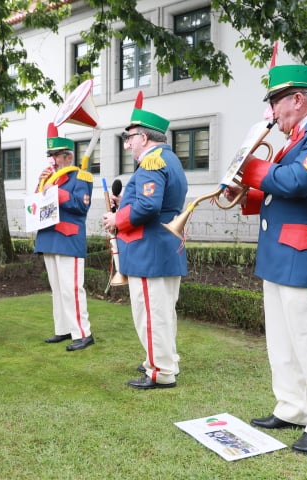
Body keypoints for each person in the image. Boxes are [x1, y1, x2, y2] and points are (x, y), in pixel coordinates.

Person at [225, 64, 307, 454]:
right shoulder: (298, 137)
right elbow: (279, 191)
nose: (272, 113)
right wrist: (244, 193)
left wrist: (247, 166)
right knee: (282, 343)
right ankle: (293, 407)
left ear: (297, 100)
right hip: (282, 253)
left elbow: (297, 181)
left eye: (275, 103)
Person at [102, 92, 188, 389]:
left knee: (150, 313)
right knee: (163, 311)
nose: (127, 144)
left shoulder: (152, 162)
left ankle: (160, 371)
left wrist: (117, 219)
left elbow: (149, 207)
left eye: (129, 138)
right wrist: (125, 202)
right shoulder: (169, 159)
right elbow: (156, 202)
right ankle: (167, 360)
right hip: (165, 247)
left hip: (150, 248)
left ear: (144, 137)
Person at [35, 123, 95, 351]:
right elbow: (37, 206)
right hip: (48, 237)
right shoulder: (48, 178)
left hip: (68, 238)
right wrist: (41, 185)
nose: (52, 160)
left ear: (68, 157)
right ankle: (63, 329)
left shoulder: (81, 176)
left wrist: (56, 193)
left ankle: (83, 333)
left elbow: (81, 206)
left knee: (72, 289)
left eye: (56, 155)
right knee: (58, 290)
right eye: (50, 155)